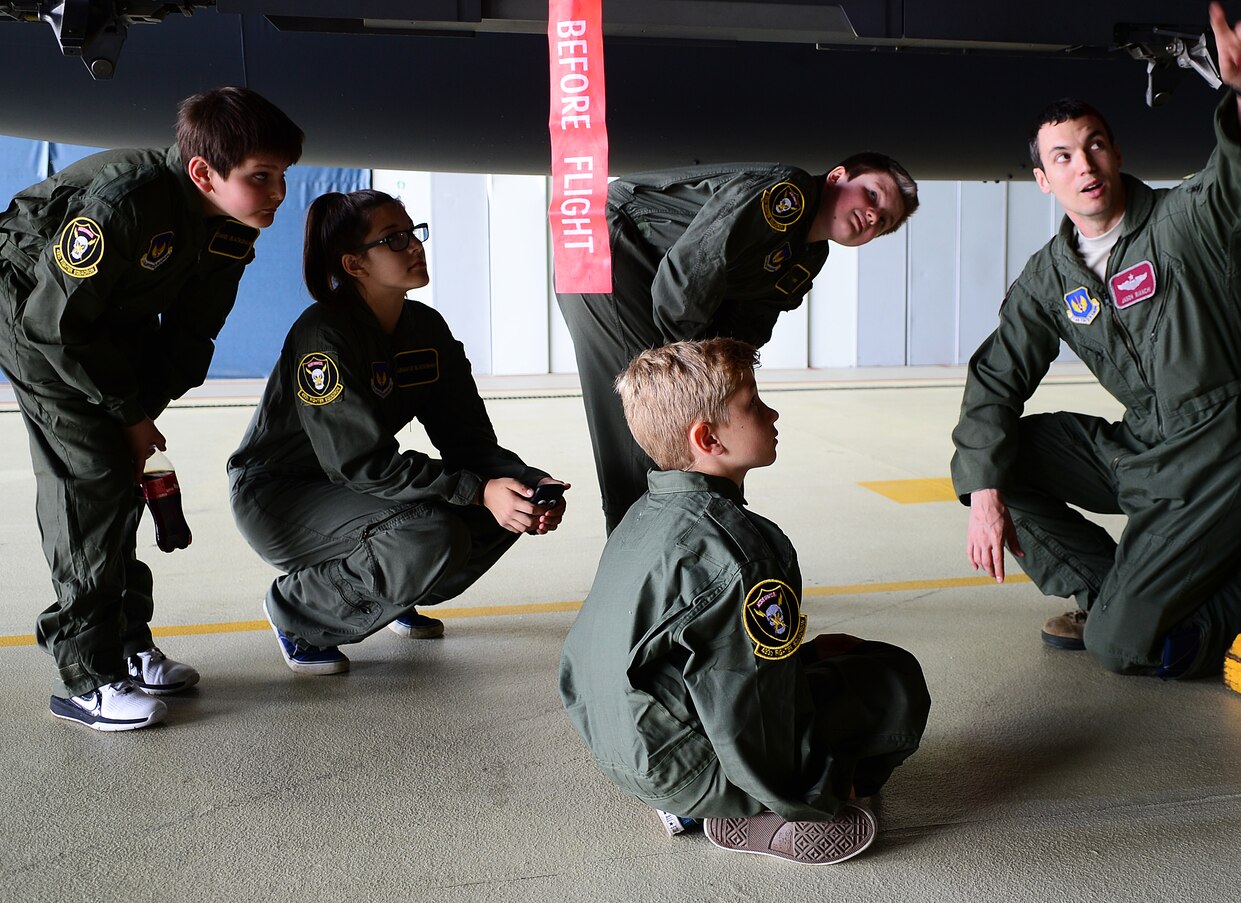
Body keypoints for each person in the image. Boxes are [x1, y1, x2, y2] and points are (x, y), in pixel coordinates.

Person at [952, 3, 1241, 679]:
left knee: (1122, 649)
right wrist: (985, 493)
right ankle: (1109, 594)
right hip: (1142, 446)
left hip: (1219, 454)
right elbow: (995, 379)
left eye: (1095, 144)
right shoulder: (1051, 274)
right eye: (1063, 156)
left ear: (1117, 150)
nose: (1084, 164)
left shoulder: (1185, 224)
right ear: (1043, 178)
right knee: (991, 461)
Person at [0, 85, 303, 731]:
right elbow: (57, 322)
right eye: (260, 177)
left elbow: (191, 333)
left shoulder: (232, 225)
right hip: (40, 320)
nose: (276, 193)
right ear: (203, 172)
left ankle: (127, 645)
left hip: (109, 320)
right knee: (91, 479)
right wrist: (125, 416)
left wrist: (141, 414)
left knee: (122, 476)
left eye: (283, 176)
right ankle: (84, 676)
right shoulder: (123, 202)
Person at [559, 339, 930, 866]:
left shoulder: (643, 513)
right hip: (680, 765)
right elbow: (748, 704)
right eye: (753, 404)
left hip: (620, 743)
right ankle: (749, 811)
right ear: (708, 438)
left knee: (829, 654)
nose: (772, 412)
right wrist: (805, 800)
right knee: (892, 679)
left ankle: (694, 792)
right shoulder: (743, 551)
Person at [228, 190, 566, 676]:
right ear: (355, 264)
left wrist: (524, 483)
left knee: (501, 508)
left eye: (413, 233)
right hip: (281, 495)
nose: (414, 246)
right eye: (394, 239)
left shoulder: (425, 328)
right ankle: (299, 612)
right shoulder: (322, 336)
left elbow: (468, 442)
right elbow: (359, 462)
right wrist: (476, 490)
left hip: (355, 490)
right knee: (434, 531)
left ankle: (388, 593)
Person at [558, 156, 919, 532]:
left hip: (657, 280)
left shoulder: (808, 256)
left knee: (716, 411)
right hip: (607, 241)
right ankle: (638, 553)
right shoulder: (789, 191)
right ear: (838, 177)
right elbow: (691, 271)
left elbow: (747, 328)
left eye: (886, 221)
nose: (875, 216)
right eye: (873, 194)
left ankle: (706, 534)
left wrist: (725, 382)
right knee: (646, 415)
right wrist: (684, 370)